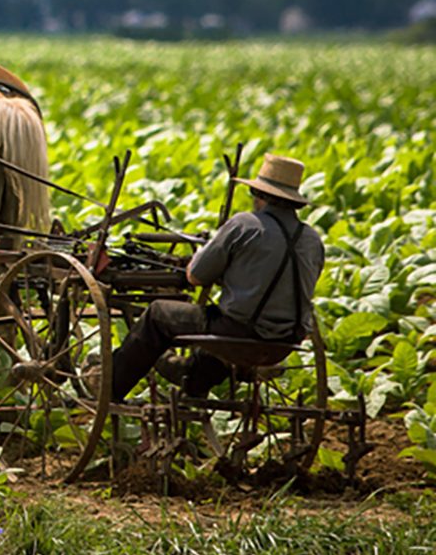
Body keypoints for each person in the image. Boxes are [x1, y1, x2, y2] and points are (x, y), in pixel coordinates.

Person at [109, 153, 326, 402]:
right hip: (286, 341)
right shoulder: (312, 240)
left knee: (158, 313)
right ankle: (192, 380)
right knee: (224, 328)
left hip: (239, 332)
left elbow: (195, 276)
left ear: (261, 195)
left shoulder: (245, 225)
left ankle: (110, 387)